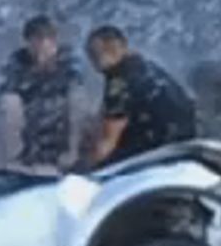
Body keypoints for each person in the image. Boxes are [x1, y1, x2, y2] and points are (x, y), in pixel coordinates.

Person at [80, 25, 197, 169]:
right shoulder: (145, 66)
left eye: (95, 53)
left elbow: (107, 141)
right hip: (185, 138)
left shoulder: (119, 81)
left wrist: (83, 169)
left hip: (156, 146)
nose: (93, 61)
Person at [0, 15, 86, 170]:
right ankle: (15, 161)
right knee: (8, 104)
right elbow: (5, 88)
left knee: (77, 98)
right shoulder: (17, 61)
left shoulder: (68, 58)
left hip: (61, 112)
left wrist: (51, 69)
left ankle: (73, 155)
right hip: (29, 113)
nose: (43, 44)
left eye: (48, 39)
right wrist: (33, 73)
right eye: (36, 39)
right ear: (28, 42)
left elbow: (77, 79)